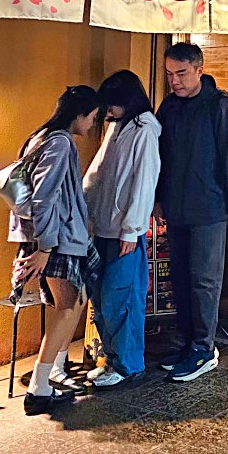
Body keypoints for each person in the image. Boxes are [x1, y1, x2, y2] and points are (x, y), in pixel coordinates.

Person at [155, 42, 228, 382]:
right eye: (169, 74)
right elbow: (159, 157)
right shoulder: (168, 107)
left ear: (199, 69)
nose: (175, 81)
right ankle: (187, 344)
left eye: (181, 73)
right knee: (180, 278)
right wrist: (157, 199)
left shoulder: (219, 106)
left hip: (209, 208)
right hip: (176, 206)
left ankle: (203, 348)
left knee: (204, 280)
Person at [9, 85, 100, 415]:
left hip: (52, 238)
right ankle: (40, 387)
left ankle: (53, 372)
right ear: (79, 115)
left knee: (71, 301)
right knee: (67, 306)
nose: (92, 125)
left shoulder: (41, 137)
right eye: (91, 118)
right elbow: (44, 198)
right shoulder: (60, 143)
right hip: (57, 241)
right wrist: (46, 246)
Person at [83, 70, 161, 389]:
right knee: (102, 298)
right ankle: (114, 360)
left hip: (124, 231)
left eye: (113, 105)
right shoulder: (117, 126)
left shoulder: (146, 129)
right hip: (104, 225)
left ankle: (128, 365)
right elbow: (97, 173)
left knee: (121, 298)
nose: (108, 112)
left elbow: (144, 181)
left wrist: (132, 229)